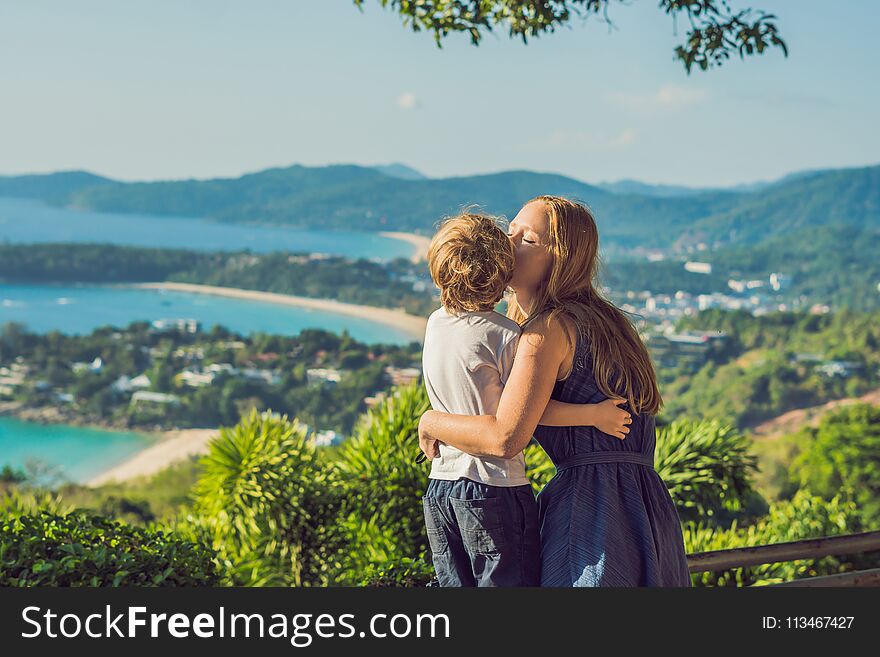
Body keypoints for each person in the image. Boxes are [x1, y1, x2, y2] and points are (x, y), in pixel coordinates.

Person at [419, 197, 691, 587]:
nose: (507, 243)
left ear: (559, 260)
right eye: (509, 231)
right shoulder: (608, 322)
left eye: (526, 239)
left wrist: (431, 421)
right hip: (644, 509)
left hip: (591, 513)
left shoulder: (547, 331)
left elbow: (506, 436)